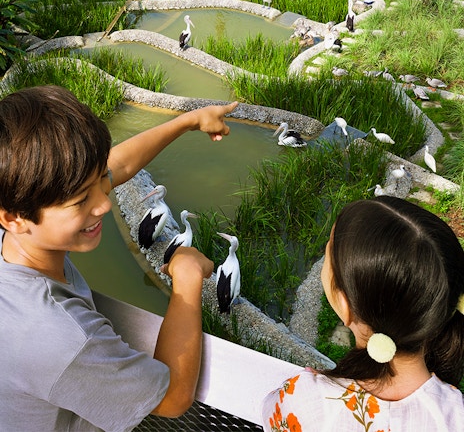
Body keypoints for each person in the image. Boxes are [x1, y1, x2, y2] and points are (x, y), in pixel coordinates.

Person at [0, 84, 238, 432]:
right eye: (81, 201)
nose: (104, 203)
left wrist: (188, 121)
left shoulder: (18, 217)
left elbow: (118, 164)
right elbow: (172, 399)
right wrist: (186, 279)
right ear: (14, 218)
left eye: (100, 181)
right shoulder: (65, 339)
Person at [262, 196, 464, 431]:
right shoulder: (457, 413)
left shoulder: (307, 402)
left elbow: (269, 414)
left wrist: (317, 384)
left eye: (328, 255)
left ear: (344, 305)